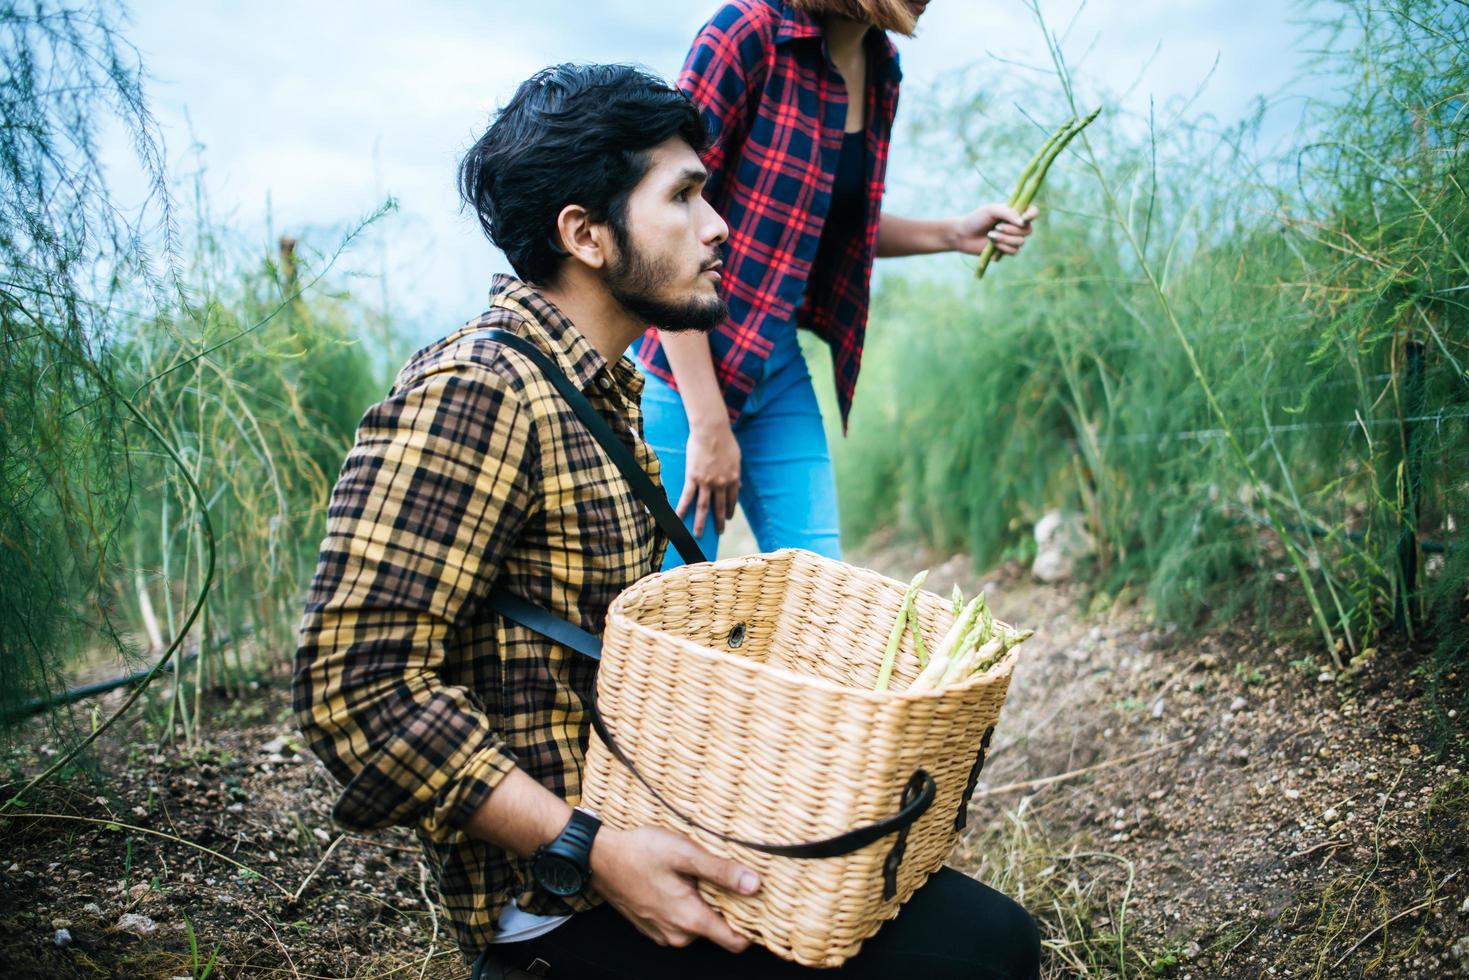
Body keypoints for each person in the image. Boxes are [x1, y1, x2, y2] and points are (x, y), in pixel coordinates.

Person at [294, 62, 1040, 979]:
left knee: (997, 941)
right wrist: (589, 849)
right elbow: (353, 687)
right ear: (586, 235)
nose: (720, 225)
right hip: (561, 902)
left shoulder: (599, 391)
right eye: (684, 196)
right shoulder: (478, 393)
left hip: (650, 824)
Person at [636, 0, 1040, 567]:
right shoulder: (746, 34)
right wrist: (708, 423)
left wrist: (954, 232)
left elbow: (823, 223)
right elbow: (662, 225)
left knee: (819, 583)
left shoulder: (882, 68)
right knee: (678, 590)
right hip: (680, 365)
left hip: (773, 361)